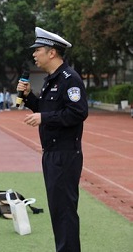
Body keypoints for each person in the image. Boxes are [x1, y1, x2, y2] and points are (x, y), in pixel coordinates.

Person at [17, 27, 88, 252]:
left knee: (65, 210)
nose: (34, 55)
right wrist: (29, 97)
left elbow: (78, 112)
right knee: (58, 209)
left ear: (52, 53)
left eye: (38, 50)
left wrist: (44, 117)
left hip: (65, 154)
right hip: (51, 153)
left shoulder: (70, 79)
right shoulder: (51, 80)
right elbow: (46, 109)